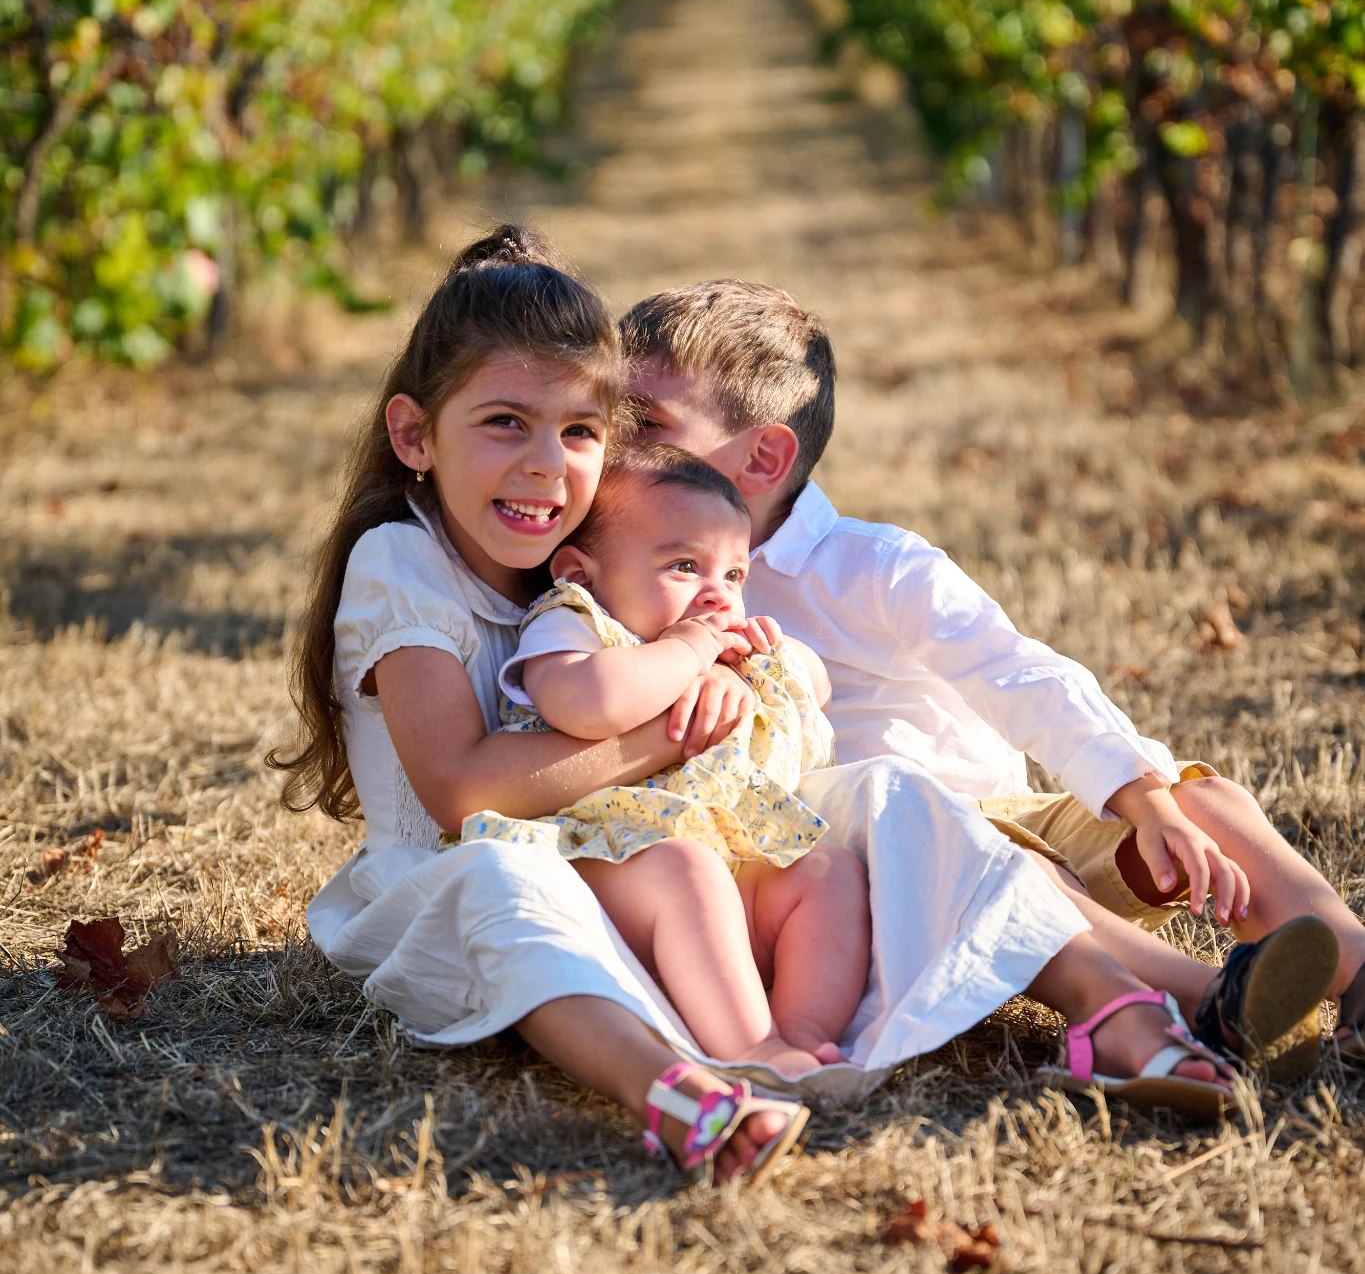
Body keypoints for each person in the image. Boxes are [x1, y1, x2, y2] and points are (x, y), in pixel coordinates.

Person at [270, 223, 1275, 1180]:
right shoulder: (405, 560)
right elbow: (459, 794)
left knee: (878, 791)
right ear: (414, 433)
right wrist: (668, 727)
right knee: (504, 881)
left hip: (634, 861)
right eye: (504, 423)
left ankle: (1128, 1010)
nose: (547, 463)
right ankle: (677, 1091)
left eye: (582, 430)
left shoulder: (563, 550)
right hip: (463, 884)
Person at [619, 276, 1349, 1080]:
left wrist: (1143, 796)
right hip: (895, 873)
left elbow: (1014, 670)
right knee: (1006, 862)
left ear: (762, 456)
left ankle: (1355, 972)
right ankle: (1209, 1002)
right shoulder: (635, 571)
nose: (615, 443)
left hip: (1017, 816)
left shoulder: (871, 564)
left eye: (643, 423)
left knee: (1200, 801)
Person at [460, 441, 872, 1080]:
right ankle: (751, 1049)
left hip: (731, 871)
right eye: (685, 565)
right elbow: (589, 704)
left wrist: (764, 663)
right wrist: (686, 651)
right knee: (686, 869)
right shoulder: (577, 623)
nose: (717, 597)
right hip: (610, 863)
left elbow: (814, 690)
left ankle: (800, 1031)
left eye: (734, 575)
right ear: (580, 572)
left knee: (829, 873)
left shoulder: (722, 650)